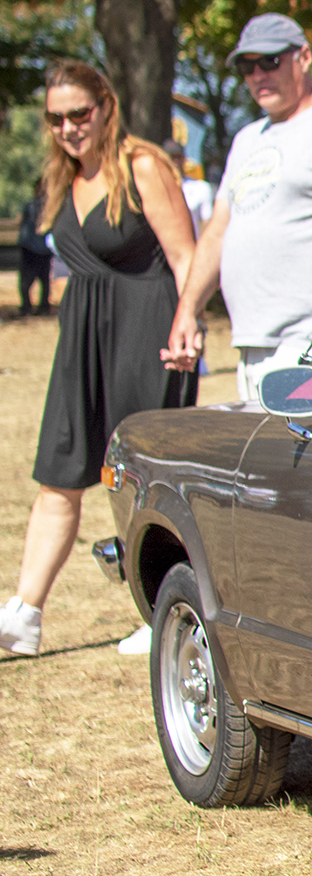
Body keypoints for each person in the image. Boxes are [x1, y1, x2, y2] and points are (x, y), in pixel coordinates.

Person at [0, 62, 197, 657]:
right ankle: (25, 613)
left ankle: (158, 609)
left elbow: (185, 256)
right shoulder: (62, 176)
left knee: (141, 479)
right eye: (55, 118)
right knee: (57, 472)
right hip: (81, 338)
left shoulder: (142, 166)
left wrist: (188, 322)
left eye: (79, 114)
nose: (68, 128)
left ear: (106, 106)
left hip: (146, 331)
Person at [161, 13, 312, 402]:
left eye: (270, 61)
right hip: (251, 342)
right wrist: (188, 309)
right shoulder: (247, 138)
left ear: (304, 57)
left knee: (302, 445)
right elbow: (217, 232)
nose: (258, 75)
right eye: (247, 67)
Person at [164, 139, 215, 234]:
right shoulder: (156, 190)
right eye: (171, 157)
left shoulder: (201, 188)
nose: (175, 161)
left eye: (178, 157)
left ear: (184, 158)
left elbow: (206, 224)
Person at [16, 192, 52, 316]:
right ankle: (44, 307)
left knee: (25, 280)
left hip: (29, 247)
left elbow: (21, 222)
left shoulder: (30, 205)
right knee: (45, 280)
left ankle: (26, 307)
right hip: (44, 248)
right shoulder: (49, 207)